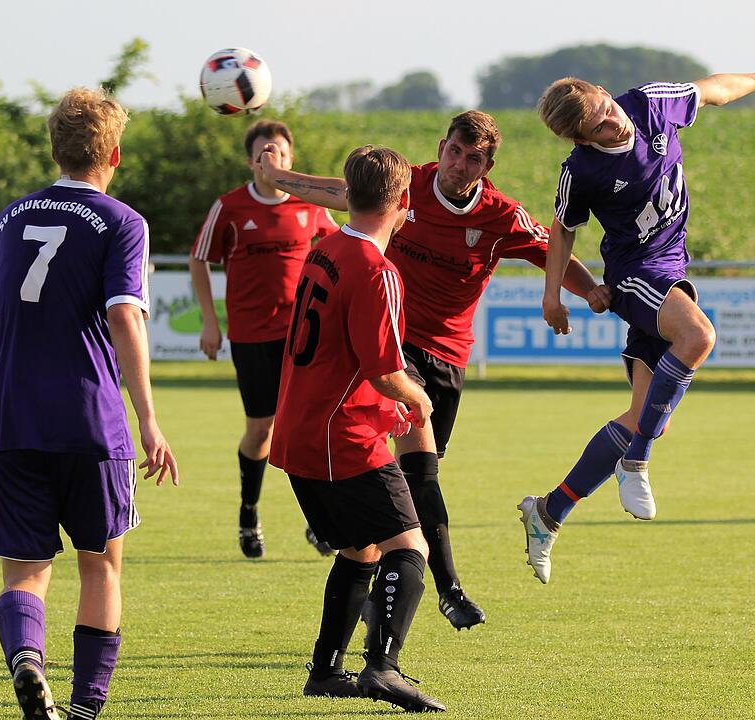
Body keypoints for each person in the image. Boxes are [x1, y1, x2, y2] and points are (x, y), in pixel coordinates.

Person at [260, 112, 606, 628]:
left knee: (411, 474)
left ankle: (359, 545)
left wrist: (594, 292)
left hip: (447, 355)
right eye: (454, 152)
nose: (459, 165)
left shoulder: (501, 216)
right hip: (393, 349)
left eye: (474, 159)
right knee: (420, 469)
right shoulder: (408, 187)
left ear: (487, 166)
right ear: (442, 147)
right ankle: (449, 588)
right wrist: (279, 179)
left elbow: (550, 251)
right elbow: (344, 191)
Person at [519, 71, 755, 584]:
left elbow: (711, 92)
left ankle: (548, 511)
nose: (612, 121)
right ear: (581, 138)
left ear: (602, 91)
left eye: (606, 107)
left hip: (672, 268)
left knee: (645, 415)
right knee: (699, 336)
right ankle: (635, 463)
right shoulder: (581, 171)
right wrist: (553, 295)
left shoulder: (649, 103)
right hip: (637, 274)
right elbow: (563, 230)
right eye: (599, 125)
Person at [0, 87, 179, 720]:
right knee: (101, 564)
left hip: (12, 418)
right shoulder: (122, 222)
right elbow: (123, 314)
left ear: (54, 149)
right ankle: (87, 708)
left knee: (24, 571)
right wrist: (148, 419)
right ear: (113, 152)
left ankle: (28, 662)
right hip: (91, 422)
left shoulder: (12, 215)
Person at [270, 144, 444, 712]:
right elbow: (384, 368)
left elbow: (339, 358)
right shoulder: (377, 270)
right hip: (338, 438)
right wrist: (416, 398)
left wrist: (384, 401)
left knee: (360, 550)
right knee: (409, 546)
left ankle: (324, 672)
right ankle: (383, 668)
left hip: (302, 429)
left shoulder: (326, 248)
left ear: (348, 192)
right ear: (404, 199)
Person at [190, 120, 340, 559]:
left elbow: (344, 245)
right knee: (261, 430)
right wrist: (209, 322)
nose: (272, 159)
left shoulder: (310, 207)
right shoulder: (230, 207)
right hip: (251, 336)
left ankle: (318, 524)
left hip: (302, 339)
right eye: (263, 153)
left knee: (306, 429)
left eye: (280, 152)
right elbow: (199, 260)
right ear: (251, 161)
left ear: (291, 161)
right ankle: (248, 513)